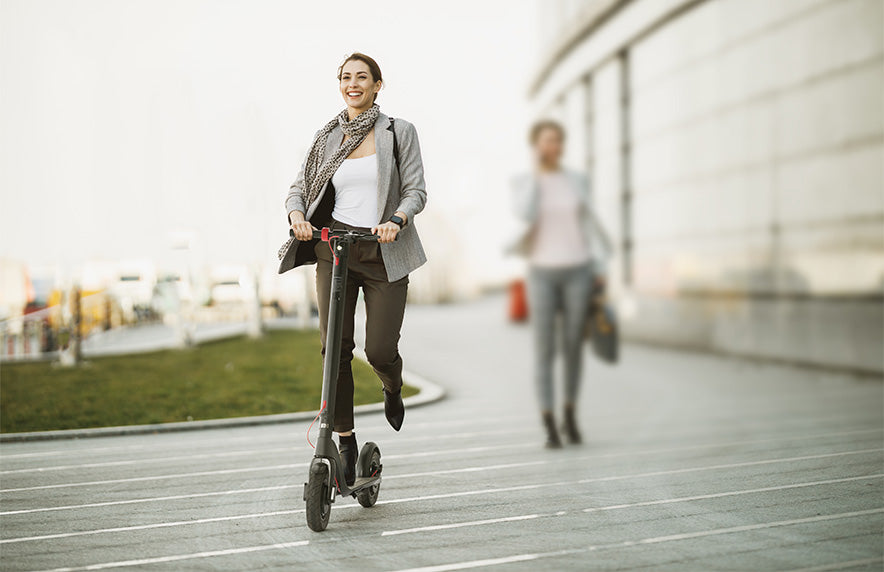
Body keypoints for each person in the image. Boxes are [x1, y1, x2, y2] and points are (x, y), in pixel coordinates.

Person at [278, 52, 427, 485]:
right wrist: (298, 217)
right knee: (334, 349)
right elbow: (298, 188)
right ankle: (344, 442)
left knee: (378, 349)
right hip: (336, 247)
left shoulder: (398, 132)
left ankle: (392, 387)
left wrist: (396, 220)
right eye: (346, 77)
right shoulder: (327, 137)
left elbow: (415, 190)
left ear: (377, 85)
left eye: (362, 77)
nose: (353, 83)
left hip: (384, 250)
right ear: (339, 84)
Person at [508, 119, 612, 449]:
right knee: (544, 348)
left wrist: (600, 266)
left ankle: (569, 412)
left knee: (572, 347)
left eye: (556, 140)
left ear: (562, 145)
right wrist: (537, 178)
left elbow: (589, 224)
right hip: (542, 272)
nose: (552, 146)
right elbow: (524, 215)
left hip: (578, 270)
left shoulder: (577, 180)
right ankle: (548, 420)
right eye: (545, 140)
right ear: (536, 146)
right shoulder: (523, 181)